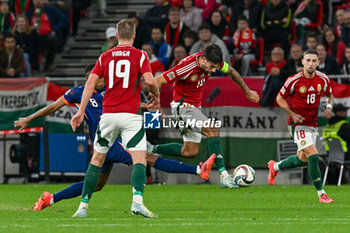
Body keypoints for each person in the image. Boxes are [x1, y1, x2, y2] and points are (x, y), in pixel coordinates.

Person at [14, 64, 214, 211]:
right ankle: (198, 169)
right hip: (109, 143)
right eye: (99, 77)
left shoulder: (110, 93)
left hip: (106, 146)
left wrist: (149, 108)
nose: (103, 79)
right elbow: (53, 106)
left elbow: (131, 106)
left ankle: (50, 199)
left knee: (96, 185)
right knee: (146, 158)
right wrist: (29, 118)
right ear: (90, 79)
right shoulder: (79, 93)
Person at [69, 19, 161, 218]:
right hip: (131, 115)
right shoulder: (140, 55)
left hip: (108, 115)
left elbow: (89, 85)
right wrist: (156, 95)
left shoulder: (105, 56)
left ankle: (82, 207)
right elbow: (150, 81)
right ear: (134, 36)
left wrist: (80, 111)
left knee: (96, 160)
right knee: (139, 160)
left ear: (117, 36)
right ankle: (137, 201)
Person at [148, 43, 260, 189]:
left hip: (194, 108)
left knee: (189, 151)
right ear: (203, 59)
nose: (214, 71)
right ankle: (224, 176)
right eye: (212, 67)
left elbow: (231, 71)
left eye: (216, 67)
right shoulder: (187, 67)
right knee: (212, 129)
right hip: (183, 107)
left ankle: (151, 148)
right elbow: (157, 81)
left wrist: (247, 91)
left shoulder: (214, 61)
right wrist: (157, 106)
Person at [268, 49, 334, 203]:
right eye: (308, 60)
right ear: (303, 62)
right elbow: (279, 98)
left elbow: (330, 95)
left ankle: (275, 167)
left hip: (312, 124)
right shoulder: (294, 80)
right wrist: (291, 114)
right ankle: (321, 193)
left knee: (303, 160)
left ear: (318, 63)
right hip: (297, 125)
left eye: (314, 61)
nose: (310, 63)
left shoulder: (323, 79)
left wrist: (329, 107)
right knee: (314, 156)